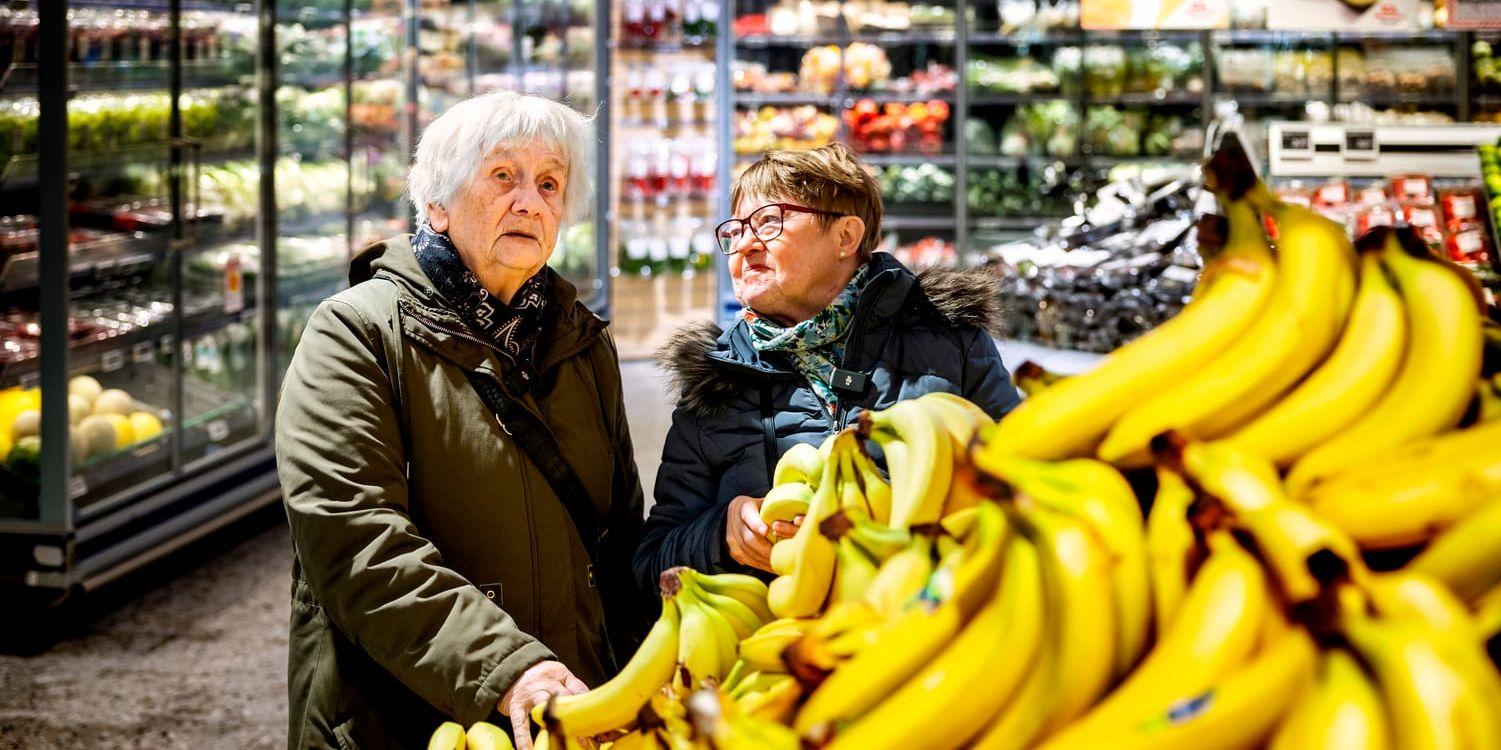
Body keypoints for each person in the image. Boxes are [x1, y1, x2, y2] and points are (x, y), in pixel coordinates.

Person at [276, 91, 646, 750]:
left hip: (566, 715)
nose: (530, 200)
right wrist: (507, 669)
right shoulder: (355, 333)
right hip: (403, 719)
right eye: (503, 176)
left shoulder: (582, 342)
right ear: (436, 204)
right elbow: (355, 543)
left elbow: (617, 538)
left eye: (550, 182)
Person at [634, 143, 1021, 584]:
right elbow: (650, 566)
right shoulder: (714, 381)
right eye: (736, 230)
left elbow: (1027, 488)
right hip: (785, 642)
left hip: (933, 620)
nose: (744, 244)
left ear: (846, 237)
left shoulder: (950, 341)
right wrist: (720, 535)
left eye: (768, 221)